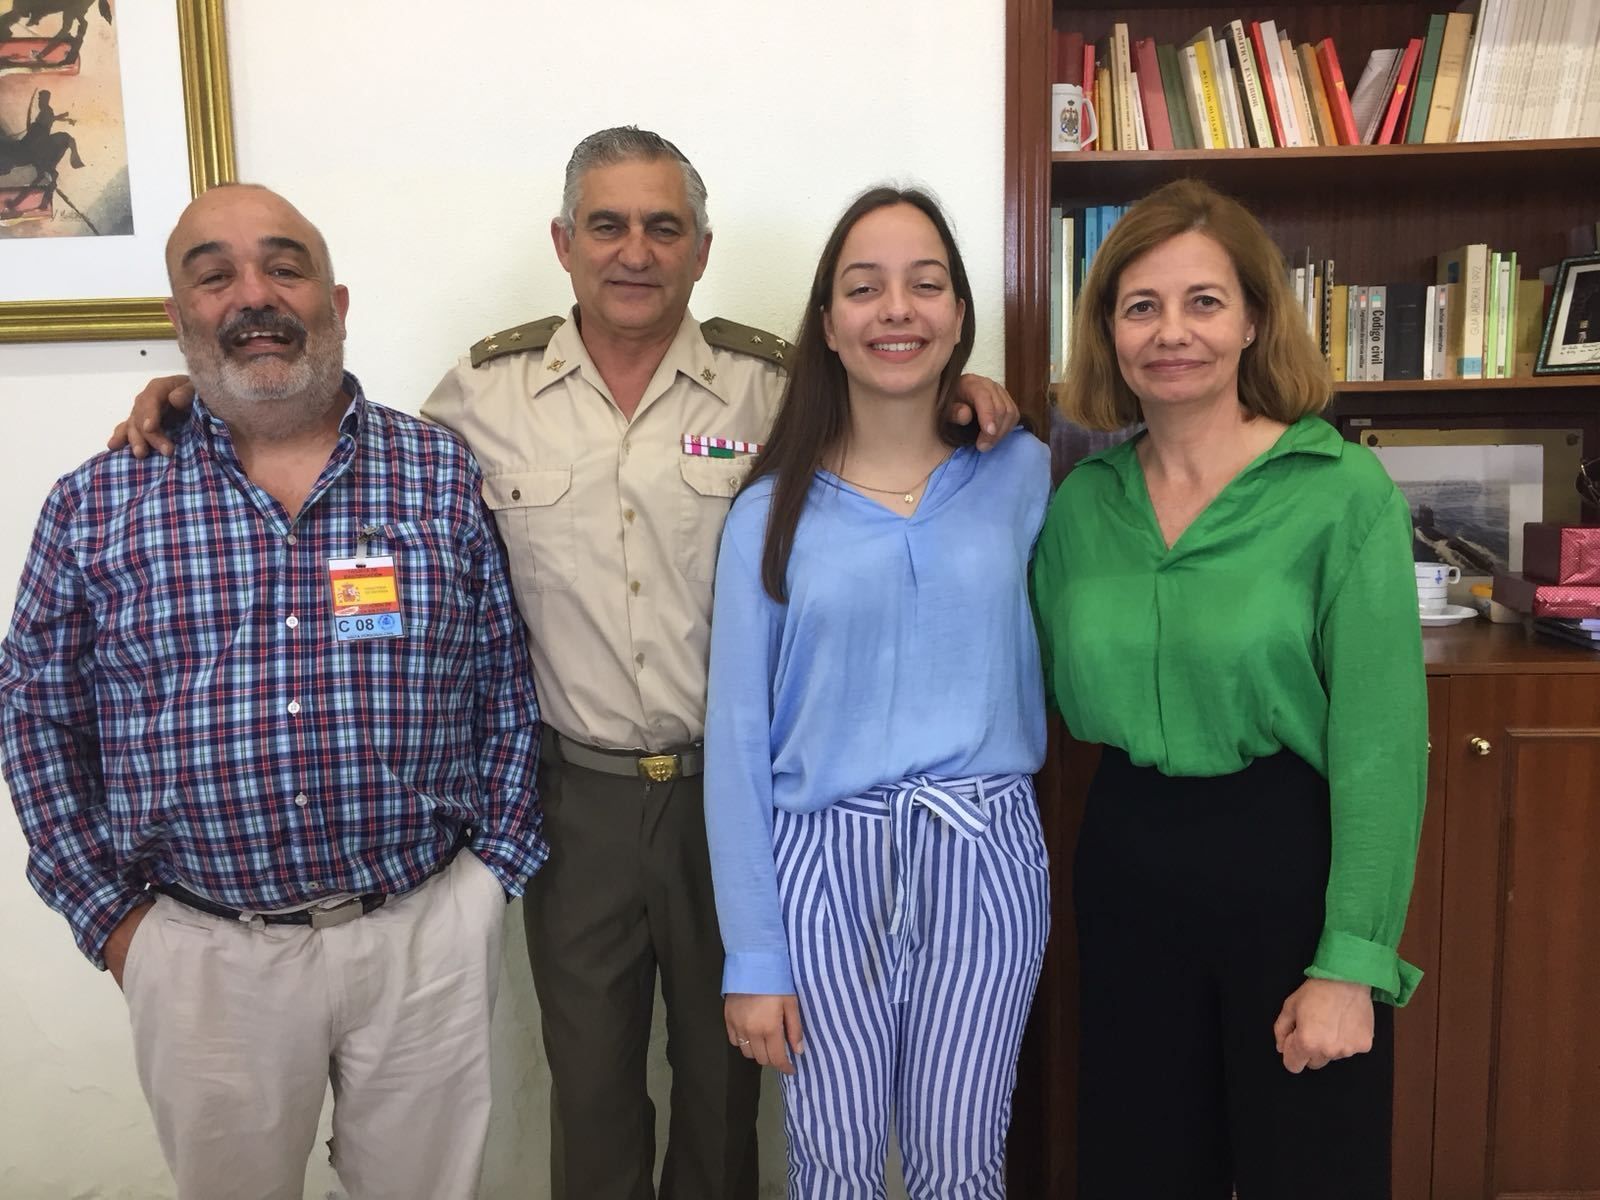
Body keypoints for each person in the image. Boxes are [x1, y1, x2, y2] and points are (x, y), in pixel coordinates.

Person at [107, 127, 1021, 1200]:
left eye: (662, 227)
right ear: (564, 242)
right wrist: (190, 402)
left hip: (743, 800)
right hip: (574, 794)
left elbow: (886, 439)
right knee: (587, 1087)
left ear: (700, 249)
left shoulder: (768, 389)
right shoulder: (482, 397)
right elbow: (345, 450)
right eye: (607, 225)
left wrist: (968, 397)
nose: (634, 251)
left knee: (733, 1083)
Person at [1, 183, 545, 1200]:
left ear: (335, 298)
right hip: (206, 955)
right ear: (179, 318)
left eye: (284, 267)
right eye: (215, 275)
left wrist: (489, 878)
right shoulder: (96, 502)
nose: (254, 296)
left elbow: (506, 683)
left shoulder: (435, 471)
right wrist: (115, 924)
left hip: (422, 931)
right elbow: (33, 716)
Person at [1031, 178, 1427, 1199]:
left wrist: (1350, 961)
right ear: (1107, 330)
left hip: (1285, 861)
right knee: (1138, 1166)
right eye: (1140, 305)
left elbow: (1381, 746)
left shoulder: (1339, 493)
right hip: (1123, 856)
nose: (1173, 333)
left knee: (1310, 1164)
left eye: (1203, 302)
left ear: (1253, 317)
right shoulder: (1082, 504)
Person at [705, 186, 1051, 1199]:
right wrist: (754, 954)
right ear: (827, 325)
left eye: (925, 285)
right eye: (865, 289)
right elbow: (733, 743)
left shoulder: (1022, 474)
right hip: (819, 860)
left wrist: (998, 402)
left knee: (961, 1160)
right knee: (834, 1163)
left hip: (984, 854)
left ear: (957, 318)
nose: (896, 309)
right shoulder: (767, 512)